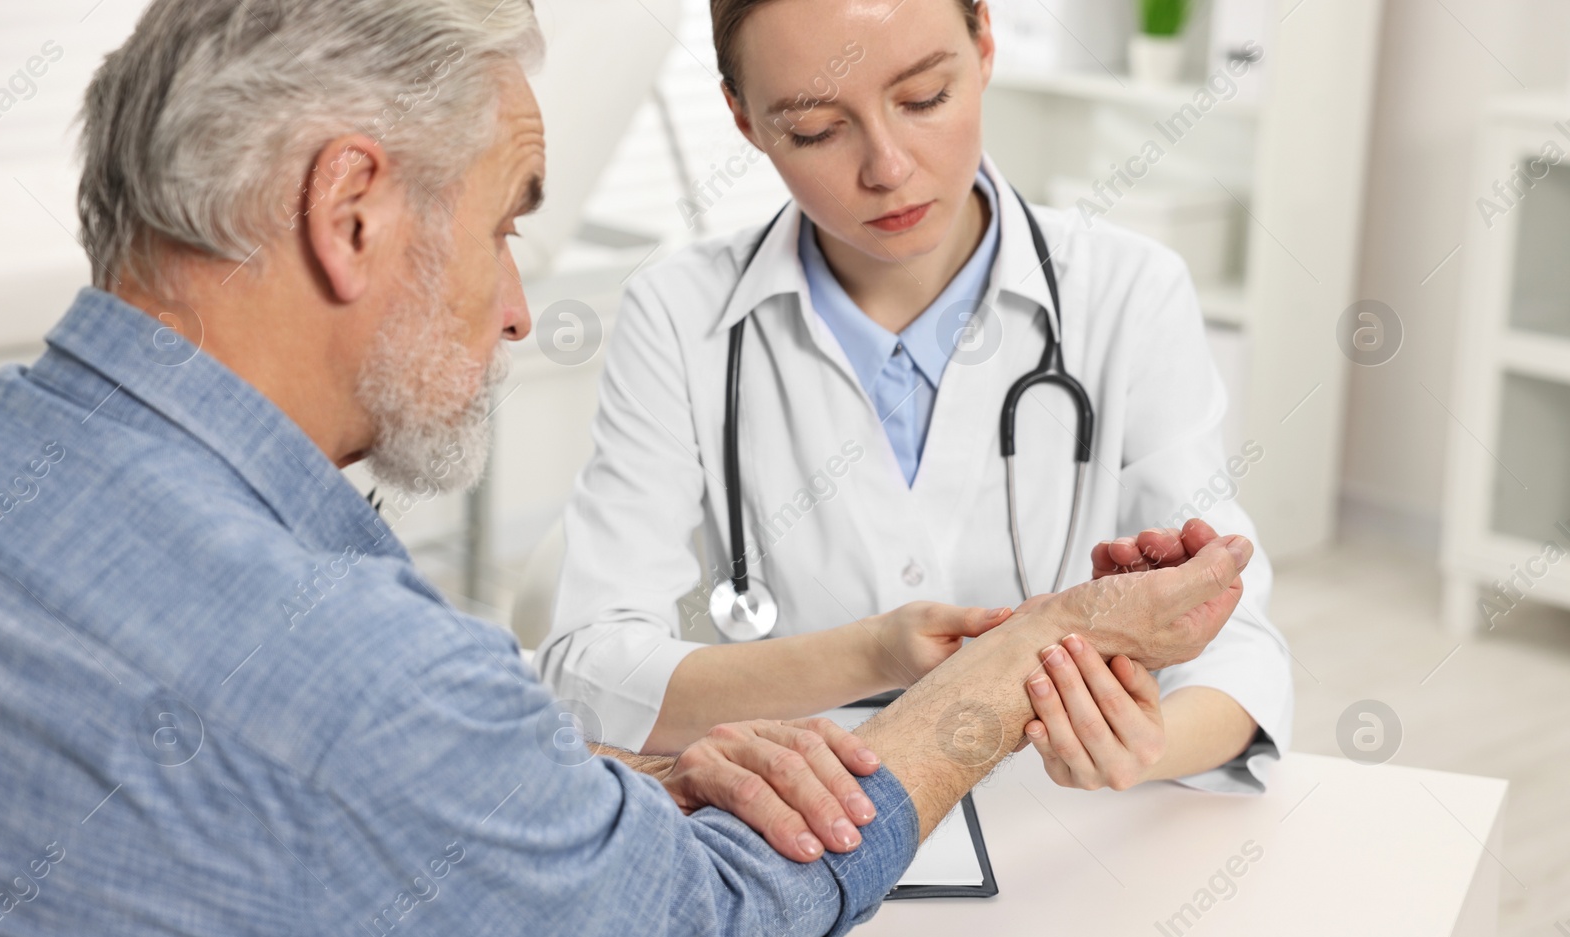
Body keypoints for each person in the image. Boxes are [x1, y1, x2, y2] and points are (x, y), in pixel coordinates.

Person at [0, 0, 1255, 937]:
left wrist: (606, 788)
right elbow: (700, 920)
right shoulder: (354, 668)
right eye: (505, 222)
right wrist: (1011, 663)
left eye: (920, 98)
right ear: (350, 210)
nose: (521, 309)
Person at [539, 0, 1292, 793]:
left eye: (925, 98)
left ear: (985, 43)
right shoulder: (679, 312)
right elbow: (588, 674)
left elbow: (1238, 643)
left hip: (1048, 824)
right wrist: (876, 652)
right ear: (744, 118)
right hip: (802, 826)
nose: (888, 168)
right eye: (816, 129)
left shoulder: (1129, 292)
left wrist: (1143, 744)